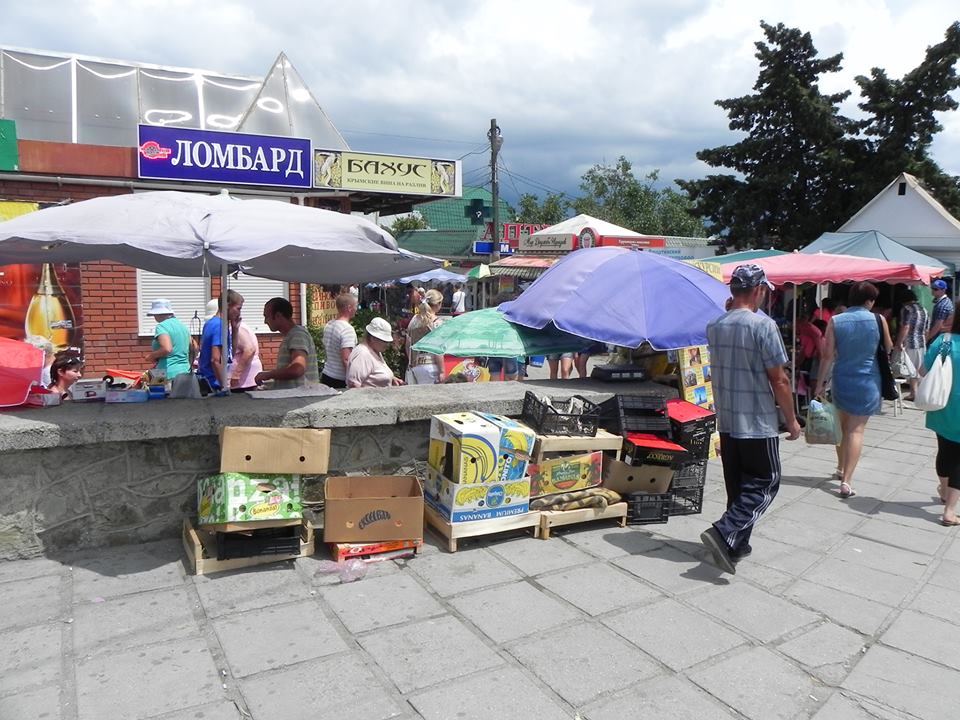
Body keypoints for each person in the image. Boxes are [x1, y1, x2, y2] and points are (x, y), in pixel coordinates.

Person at [700, 264, 800, 575]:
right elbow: (779, 379)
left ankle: (734, 545)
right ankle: (723, 530)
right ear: (758, 290)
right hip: (757, 421)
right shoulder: (762, 326)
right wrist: (792, 420)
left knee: (739, 488)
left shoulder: (715, 325)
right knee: (765, 483)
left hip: (729, 420)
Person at [815, 281, 892, 498]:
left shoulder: (836, 321)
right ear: (870, 301)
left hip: (842, 378)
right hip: (869, 380)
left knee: (841, 427)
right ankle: (847, 481)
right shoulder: (879, 320)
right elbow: (888, 347)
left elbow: (827, 355)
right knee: (856, 430)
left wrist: (820, 383)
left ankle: (840, 467)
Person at [923, 303, 960, 525]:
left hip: (942, 405)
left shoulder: (944, 342)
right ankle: (950, 510)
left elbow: (923, 369)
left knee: (945, 451)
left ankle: (945, 490)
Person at [255, 297, 320, 389]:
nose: (265, 321)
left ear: (278, 316)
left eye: (267, 316)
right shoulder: (292, 335)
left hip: (299, 399)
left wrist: (269, 374)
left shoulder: (297, 335)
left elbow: (298, 369)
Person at [199, 290, 243, 391]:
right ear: (227, 305)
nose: (239, 313)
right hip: (213, 383)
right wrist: (224, 386)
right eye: (238, 309)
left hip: (211, 380)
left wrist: (235, 329)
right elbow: (215, 360)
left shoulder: (212, 323)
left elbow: (230, 354)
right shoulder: (219, 326)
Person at [346, 317, 403, 388]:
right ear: (373, 338)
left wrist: (392, 379)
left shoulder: (375, 351)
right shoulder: (363, 354)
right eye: (384, 341)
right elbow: (353, 384)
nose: (387, 344)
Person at [145, 298, 192, 380]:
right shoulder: (182, 325)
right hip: (185, 371)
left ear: (158, 314)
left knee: (157, 392)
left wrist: (151, 356)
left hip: (164, 372)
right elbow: (194, 347)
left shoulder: (161, 326)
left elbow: (167, 349)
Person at [894, 289, 928, 401]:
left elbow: (905, 327)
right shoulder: (924, 310)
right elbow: (926, 329)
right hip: (921, 342)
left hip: (910, 342)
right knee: (919, 368)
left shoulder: (906, 309)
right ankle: (916, 393)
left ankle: (914, 393)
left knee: (911, 368)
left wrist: (899, 342)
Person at [406, 289, 445, 384]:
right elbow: (437, 349)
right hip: (431, 366)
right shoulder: (437, 322)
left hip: (416, 367)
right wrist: (442, 371)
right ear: (438, 304)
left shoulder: (414, 319)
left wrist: (412, 363)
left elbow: (407, 345)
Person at [320, 294, 358, 389]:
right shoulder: (347, 329)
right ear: (349, 308)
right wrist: (353, 380)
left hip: (326, 375)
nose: (356, 309)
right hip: (339, 379)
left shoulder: (329, 325)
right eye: (355, 306)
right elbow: (346, 359)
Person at [230, 313, 263, 391]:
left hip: (244, 382)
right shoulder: (236, 328)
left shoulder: (237, 329)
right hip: (244, 380)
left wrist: (236, 374)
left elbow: (250, 350)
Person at [928, 279, 954, 344]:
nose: (933, 291)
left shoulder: (943, 304)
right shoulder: (942, 302)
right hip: (941, 337)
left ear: (943, 290)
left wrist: (927, 338)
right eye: (932, 288)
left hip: (939, 338)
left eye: (936, 289)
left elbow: (938, 325)